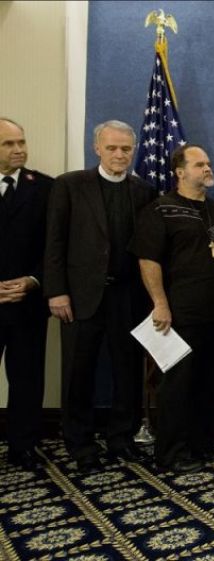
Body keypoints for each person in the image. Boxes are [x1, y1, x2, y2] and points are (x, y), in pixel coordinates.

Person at [44, 120, 156, 472]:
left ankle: (121, 438)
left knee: (127, 372)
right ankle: (80, 444)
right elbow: (55, 242)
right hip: (80, 297)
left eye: (126, 148)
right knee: (79, 372)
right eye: (112, 148)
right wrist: (56, 291)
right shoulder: (70, 185)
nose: (120, 154)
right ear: (97, 148)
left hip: (128, 298)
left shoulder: (144, 191)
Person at [132, 144, 214, 473]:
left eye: (208, 163)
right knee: (178, 386)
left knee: (211, 383)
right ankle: (171, 452)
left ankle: (202, 444)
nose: (207, 168)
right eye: (199, 164)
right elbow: (148, 259)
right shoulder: (160, 210)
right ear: (180, 172)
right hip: (181, 314)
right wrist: (160, 304)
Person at [0, 118, 52, 470]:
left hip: (28, 303)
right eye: (9, 144)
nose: (19, 149)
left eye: (21, 142)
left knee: (27, 378)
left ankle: (23, 446)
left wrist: (34, 280)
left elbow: (55, 247)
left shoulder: (45, 188)